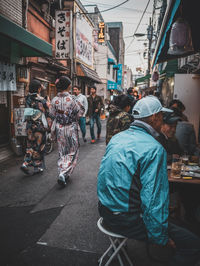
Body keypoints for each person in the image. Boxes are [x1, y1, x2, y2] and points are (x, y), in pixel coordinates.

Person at [97, 95, 200, 266]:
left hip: (105, 210)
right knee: (193, 244)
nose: (162, 119)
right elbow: (153, 199)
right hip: (125, 219)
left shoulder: (118, 138)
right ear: (154, 117)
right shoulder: (153, 148)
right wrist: (160, 238)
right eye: (160, 115)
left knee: (170, 223)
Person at [50, 76, 85, 187]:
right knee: (72, 151)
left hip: (59, 128)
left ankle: (63, 173)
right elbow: (80, 112)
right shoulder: (73, 99)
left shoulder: (54, 100)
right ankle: (64, 172)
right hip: (70, 127)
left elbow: (52, 114)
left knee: (62, 151)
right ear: (69, 86)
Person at [20, 79, 51, 175]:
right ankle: (30, 164)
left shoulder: (27, 98)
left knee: (30, 145)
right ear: (38, 88)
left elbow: (28, 112)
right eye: (40, 87)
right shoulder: (42, 100)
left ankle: (32, 165)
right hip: (39, 127)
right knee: (39, 147)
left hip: (29, 126)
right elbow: (48, 112)